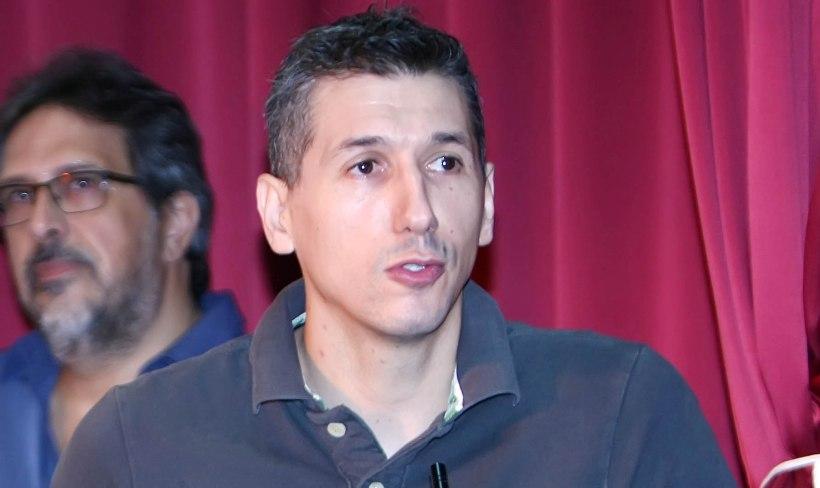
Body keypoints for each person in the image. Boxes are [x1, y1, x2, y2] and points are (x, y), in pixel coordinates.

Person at [53, 8, 735, 487]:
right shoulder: (139, 446)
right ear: (279, 215)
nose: (419, 213)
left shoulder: (622, 412)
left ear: (487, 203)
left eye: (445, 164)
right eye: (366, 167)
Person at [0, 49, 244, 487]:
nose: (40, 224)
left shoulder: (275, 415)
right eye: (19, 196)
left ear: (174, 224)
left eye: (80, 184)